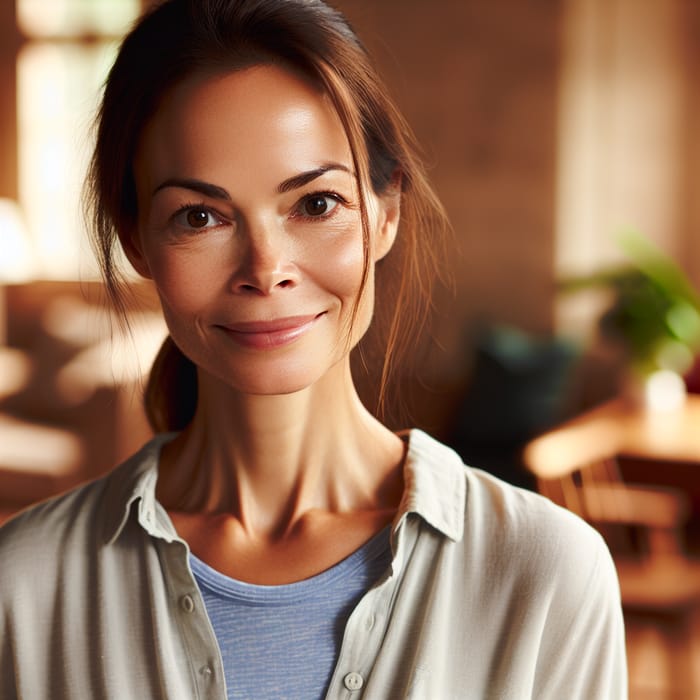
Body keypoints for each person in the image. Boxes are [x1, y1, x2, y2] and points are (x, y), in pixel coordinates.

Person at [0, 0, 627, 698]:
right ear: (137, 240)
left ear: (385, 211)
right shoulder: (24, 587)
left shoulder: (543, 573)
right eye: (200, 216)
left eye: (316, 204)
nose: (266, 269)